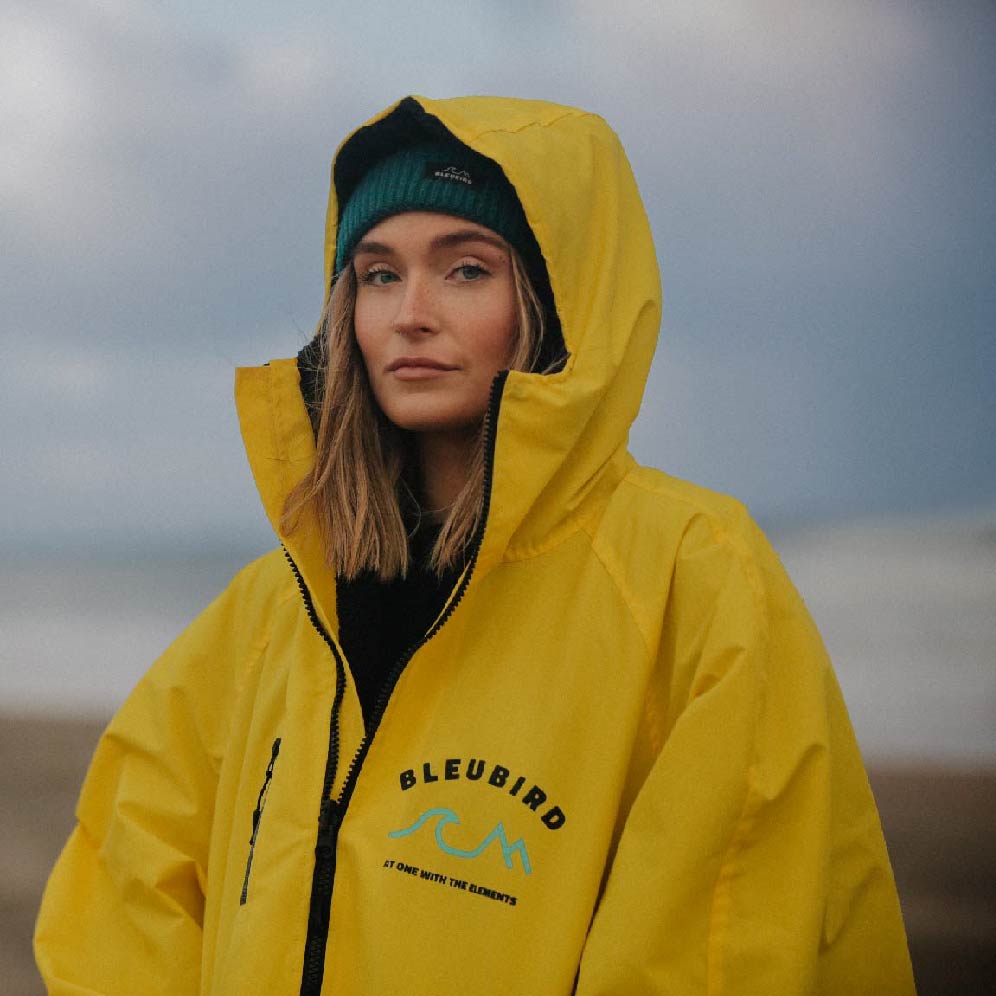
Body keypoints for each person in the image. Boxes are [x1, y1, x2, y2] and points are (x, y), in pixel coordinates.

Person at [35, 95, 916, 995]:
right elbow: (122, 889)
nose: (411, 313)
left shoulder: (693, 574)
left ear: (554, 297)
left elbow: (725, 941)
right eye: (378, 275)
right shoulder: (280, 605)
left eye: (464, 270)